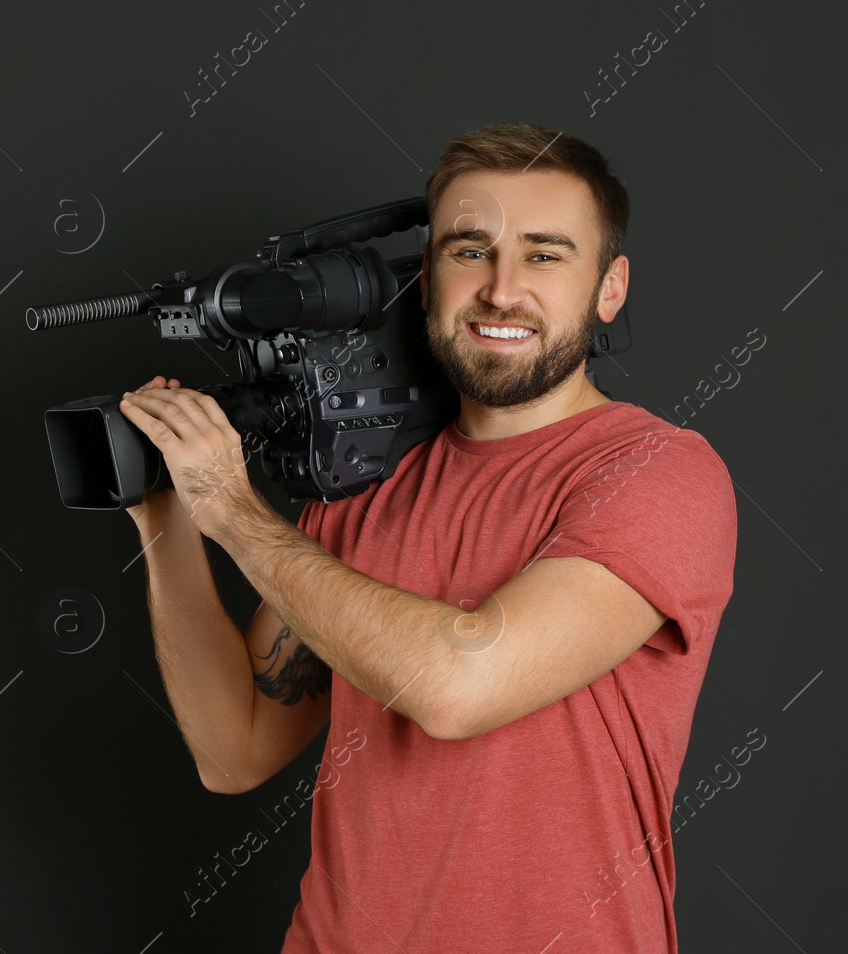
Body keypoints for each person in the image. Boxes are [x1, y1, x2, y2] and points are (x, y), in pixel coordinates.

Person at [117, 123, 738, 953]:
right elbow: (237, 750)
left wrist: (232, 511)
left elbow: (458, 686)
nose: (501, 289)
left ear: (610, 287)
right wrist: (165, 512)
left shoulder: (657, 472)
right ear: (426, 276)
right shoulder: (366, 478)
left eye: (546, 255)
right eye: (469, 251)